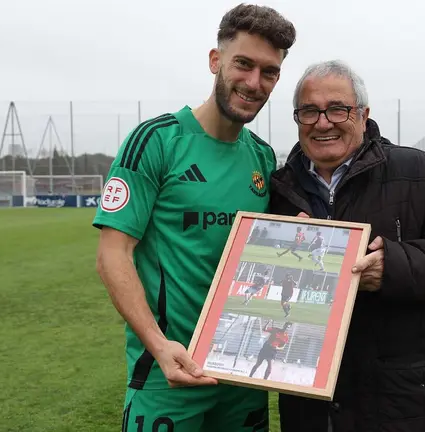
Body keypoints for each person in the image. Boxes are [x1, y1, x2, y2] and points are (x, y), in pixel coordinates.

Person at [92, 4, 296, 431]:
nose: (254, 82)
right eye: (243, 64)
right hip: (168, 372)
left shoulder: (262, 156)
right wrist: (160, 345)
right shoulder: (156, 141)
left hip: (243, 375)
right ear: (215, 60)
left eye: (269, 71)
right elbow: (113, 254)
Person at [268, 60, 425, 432]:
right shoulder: (279, 188)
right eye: (309, 111)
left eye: (337, 109)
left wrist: (393, 265)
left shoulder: (422, 172)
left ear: (363, 114)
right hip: (309, 402)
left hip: (404, 401)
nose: (323, 122)